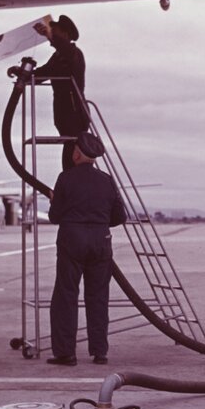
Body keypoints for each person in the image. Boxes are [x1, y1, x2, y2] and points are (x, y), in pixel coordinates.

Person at [46, 131, 127, 366]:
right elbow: (119, 216)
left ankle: (66, 353)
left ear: (78, 153)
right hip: (101, 241)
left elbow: (55, 217)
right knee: (99, 296)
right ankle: (100, 351)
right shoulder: (107, 180)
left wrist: (56, 201)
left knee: (66, 295)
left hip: (72, 240)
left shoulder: (65, 178)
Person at [30, 15, 89, 170]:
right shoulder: (57, 57)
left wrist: (49, 36)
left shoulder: (74, 54)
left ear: (65, 34)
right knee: (69, 153)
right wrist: (23, 74)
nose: (53, 35)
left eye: (56, 32)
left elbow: (66, 50)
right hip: (64, 113)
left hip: (75, 112)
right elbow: (43, 73)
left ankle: (76, 185)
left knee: (74, 153)